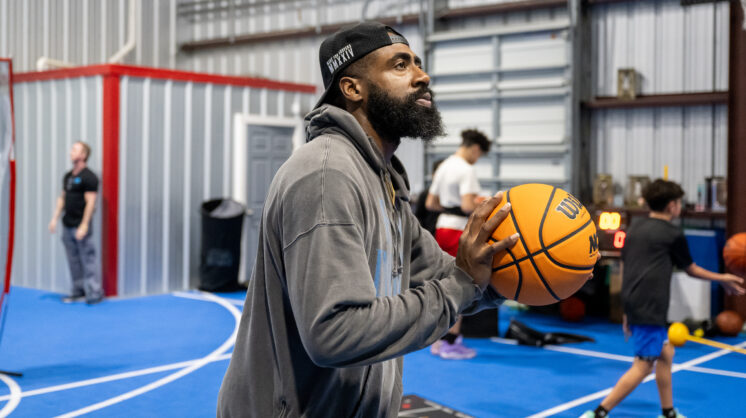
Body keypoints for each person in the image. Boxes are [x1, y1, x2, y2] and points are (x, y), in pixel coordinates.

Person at [217, 22, 522, 417]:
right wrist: (461, 286)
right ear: (353, 88)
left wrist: (526, 274)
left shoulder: (384, 183)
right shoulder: (326, 176)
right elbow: (336, 333)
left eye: (418, 63)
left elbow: (445, 274)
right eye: (400, 66)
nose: (422, 76)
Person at [582, 179, 744, 418]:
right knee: (643, 365)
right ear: (672, 206)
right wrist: (723, 278)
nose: (679, 206)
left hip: (635, 301)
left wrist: (626, 307)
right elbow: (691, 269)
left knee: (666, 354)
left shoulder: (634, 227)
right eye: (679, 203)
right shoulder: (672, 233)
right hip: (651, 307)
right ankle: (598, 413)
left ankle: (668, 413)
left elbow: (626, 266)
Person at [425, 129, 491, 359]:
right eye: (479, 155)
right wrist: (485, 206)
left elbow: (431, 203)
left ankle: (438, 340)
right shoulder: (466, 169)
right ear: (475, 149)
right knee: (463, 283)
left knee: (443, 282)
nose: (477, 159)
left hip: (442, 227)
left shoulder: (444, 166)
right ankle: (450, 342)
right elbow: (466, 206)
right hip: (458, 230)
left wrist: (450, 206)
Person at [48, 141, 103, 305]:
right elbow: (62, 198)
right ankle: (78, 290)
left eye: (75, 149)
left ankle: (94, 291)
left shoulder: (89, 177)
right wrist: (54, 218)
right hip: (67, 225)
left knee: (88, 259)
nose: (71, 152)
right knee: (73, 260)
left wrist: (85, 224)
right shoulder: (68, 176)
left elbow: (91, 202)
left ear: (83, 155)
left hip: (80, 225)